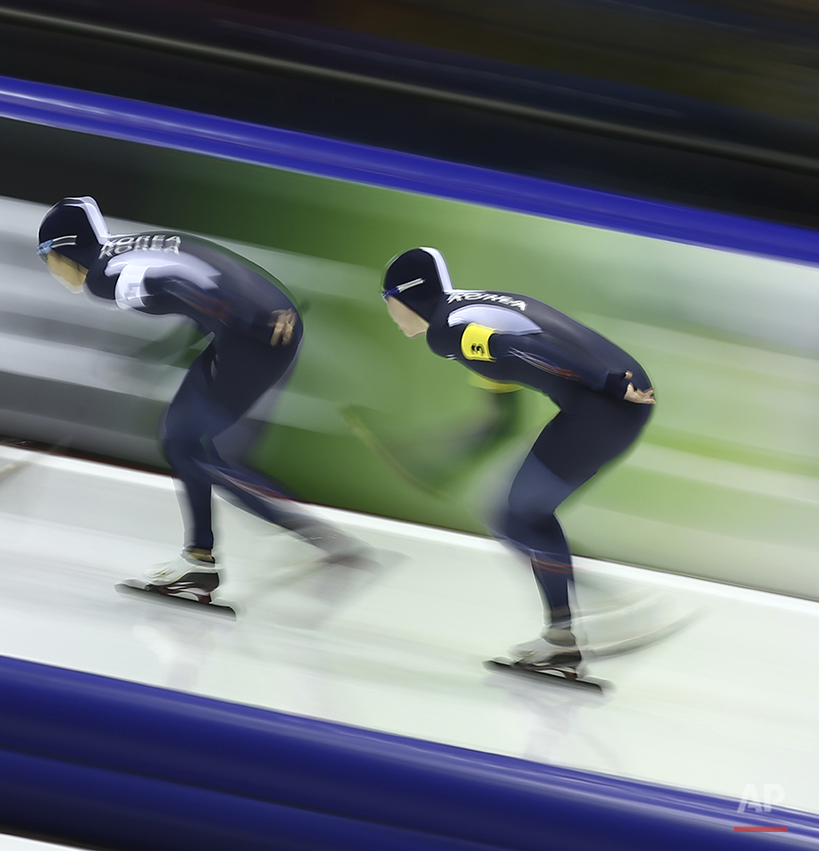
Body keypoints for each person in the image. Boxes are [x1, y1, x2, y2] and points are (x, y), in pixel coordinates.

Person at [38, 196, 365, 607]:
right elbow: (191, 293)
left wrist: (252, 321)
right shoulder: (126, 249)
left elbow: (182, 289)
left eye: (44, 255)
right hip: (255, 323)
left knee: (190, 447)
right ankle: (203, 557)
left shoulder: (105, 278)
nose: (48, 268)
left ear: (63, 249)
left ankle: (313, 539)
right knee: (186, 441)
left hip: (255, 335)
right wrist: (155, 358)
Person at [381, 247, 655, 679]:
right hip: (614, 401)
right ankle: (570, 631)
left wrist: (606, 384)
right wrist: (439, 464)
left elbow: (515, 345)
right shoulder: (469, 310)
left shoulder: (447, 330)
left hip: (606, 403)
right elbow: (500, 422)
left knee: (515, 517)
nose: (390, 313)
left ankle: (592, 620)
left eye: (388, 300)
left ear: (408, 295)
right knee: (521, 515)